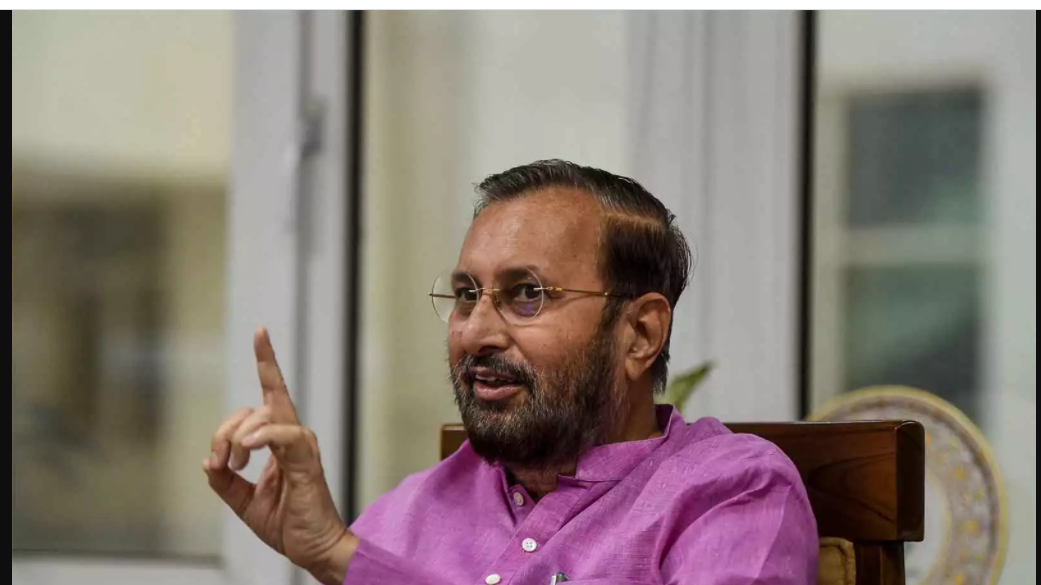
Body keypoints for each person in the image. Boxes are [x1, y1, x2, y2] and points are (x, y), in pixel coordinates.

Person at [204, 160, 819, 584]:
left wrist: (342, 559)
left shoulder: (731, 492)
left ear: (640, 334)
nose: (475, 332)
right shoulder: (411, 510)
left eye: (527, 294)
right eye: (467, 294)